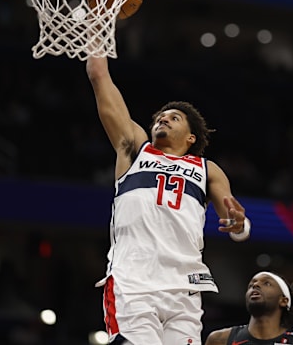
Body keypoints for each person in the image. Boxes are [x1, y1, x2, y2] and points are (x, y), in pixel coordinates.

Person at [86, 55, 252, 345]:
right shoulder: (135, 149)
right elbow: (99, 75)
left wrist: (239, 224)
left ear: (190, 138)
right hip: (133, 279)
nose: (163, 118)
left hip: (184, 286)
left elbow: (233, 217)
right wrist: (96, 36)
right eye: (160, 117)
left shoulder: (207, 169)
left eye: (174, 118)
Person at [204, 271, 293, 345]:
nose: (255, 285)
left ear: (283, 300)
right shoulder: (220, 339)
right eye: (251, 285)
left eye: (266, 283)